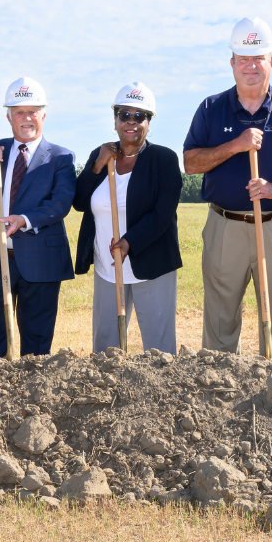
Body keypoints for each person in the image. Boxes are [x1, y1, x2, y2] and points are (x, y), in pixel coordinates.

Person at [181, 17, 272, 367]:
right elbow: (191, 163)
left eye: (258, 58)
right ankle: (217, 388)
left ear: (271, 62)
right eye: (243, 59)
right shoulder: (210, 108)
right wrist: (236, 145)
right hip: (224, 225)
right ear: (231, 63)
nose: (250, 66)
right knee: (220, 316)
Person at [0, 77, 77, 358]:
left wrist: (23, 219)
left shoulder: (61, 158)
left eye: (32, 111)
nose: (26, 118)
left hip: (41, 262)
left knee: (36, 346)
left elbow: (60, 204)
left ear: (43, 115)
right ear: (8, 116)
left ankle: (32, 399)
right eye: (19, 112)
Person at [75, 81, 184, 354]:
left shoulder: (164, 159)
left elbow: (162, 214)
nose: (131, 122)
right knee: (105, 349)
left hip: (152, 267)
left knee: (159, 351)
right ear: (115, 120)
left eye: (140, 116)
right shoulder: (99, 156)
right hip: (107, 268)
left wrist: (128, 242)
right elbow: (78, 202)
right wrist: (98, 164)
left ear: (149, 122)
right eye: (124, 115)